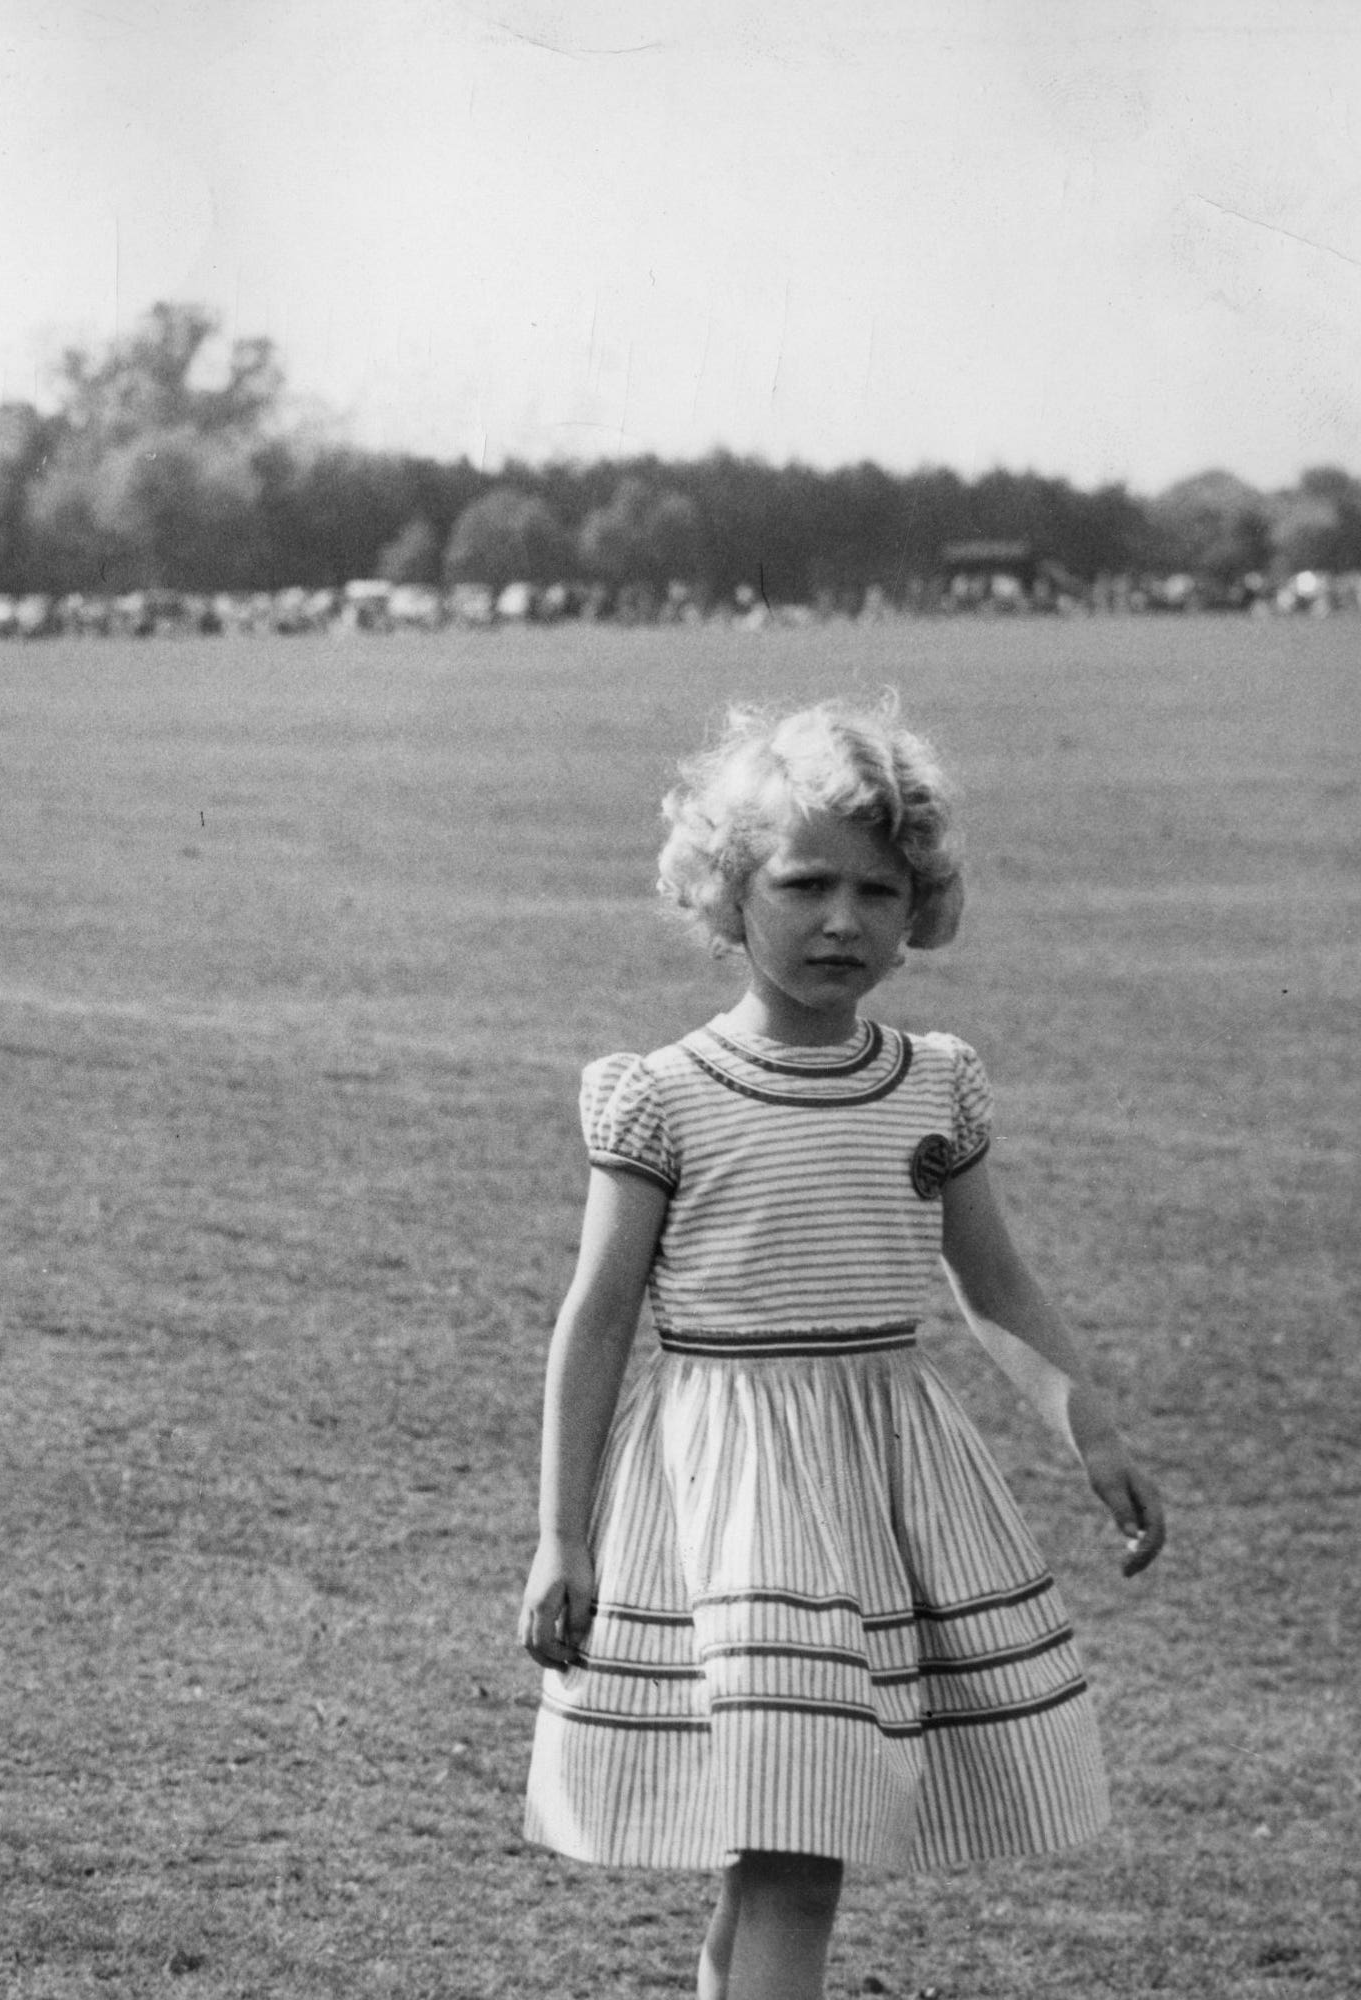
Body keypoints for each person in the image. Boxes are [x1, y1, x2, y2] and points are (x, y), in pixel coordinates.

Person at [515, 697, 1168, 2000]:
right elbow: (593, 1322)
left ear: (917, 906)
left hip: (884, 1485)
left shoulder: (933, 1082)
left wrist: (1087, 1425)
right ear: (724, 891)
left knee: (786, 1843)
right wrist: (562, 1536)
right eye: (804, 883)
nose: (842, 920)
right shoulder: (664, 1096)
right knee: (795, 1844)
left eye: (880, 890)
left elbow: (993, 1281)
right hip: (733, 1495)